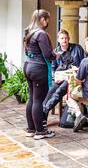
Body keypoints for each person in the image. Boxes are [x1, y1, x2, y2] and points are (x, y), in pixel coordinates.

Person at [23, 9, 61, 140]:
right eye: (47, 20)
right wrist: (56, 55)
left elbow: (27, 52)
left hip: (28, 65)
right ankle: (40, 131)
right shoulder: (41, 34)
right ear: (43, 19)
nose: (47, 23)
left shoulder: (28, 32)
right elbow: (48, 55)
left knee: (32, 98)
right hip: (39, 68)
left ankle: (31, 129)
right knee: (38, 100)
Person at [42, 29, 87, 122]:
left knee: (60, 90)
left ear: (69, 38)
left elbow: (84, 62)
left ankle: (45, 110)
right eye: (62, 38)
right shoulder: (55, 52)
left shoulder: (77, 48)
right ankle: (43, 115)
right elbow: (53, 68)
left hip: (73, 78)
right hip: (60, 77)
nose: (64, 40)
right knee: (51, 91)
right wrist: (55, 78)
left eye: (66, 38)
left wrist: (78, 69)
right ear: (58, 40)